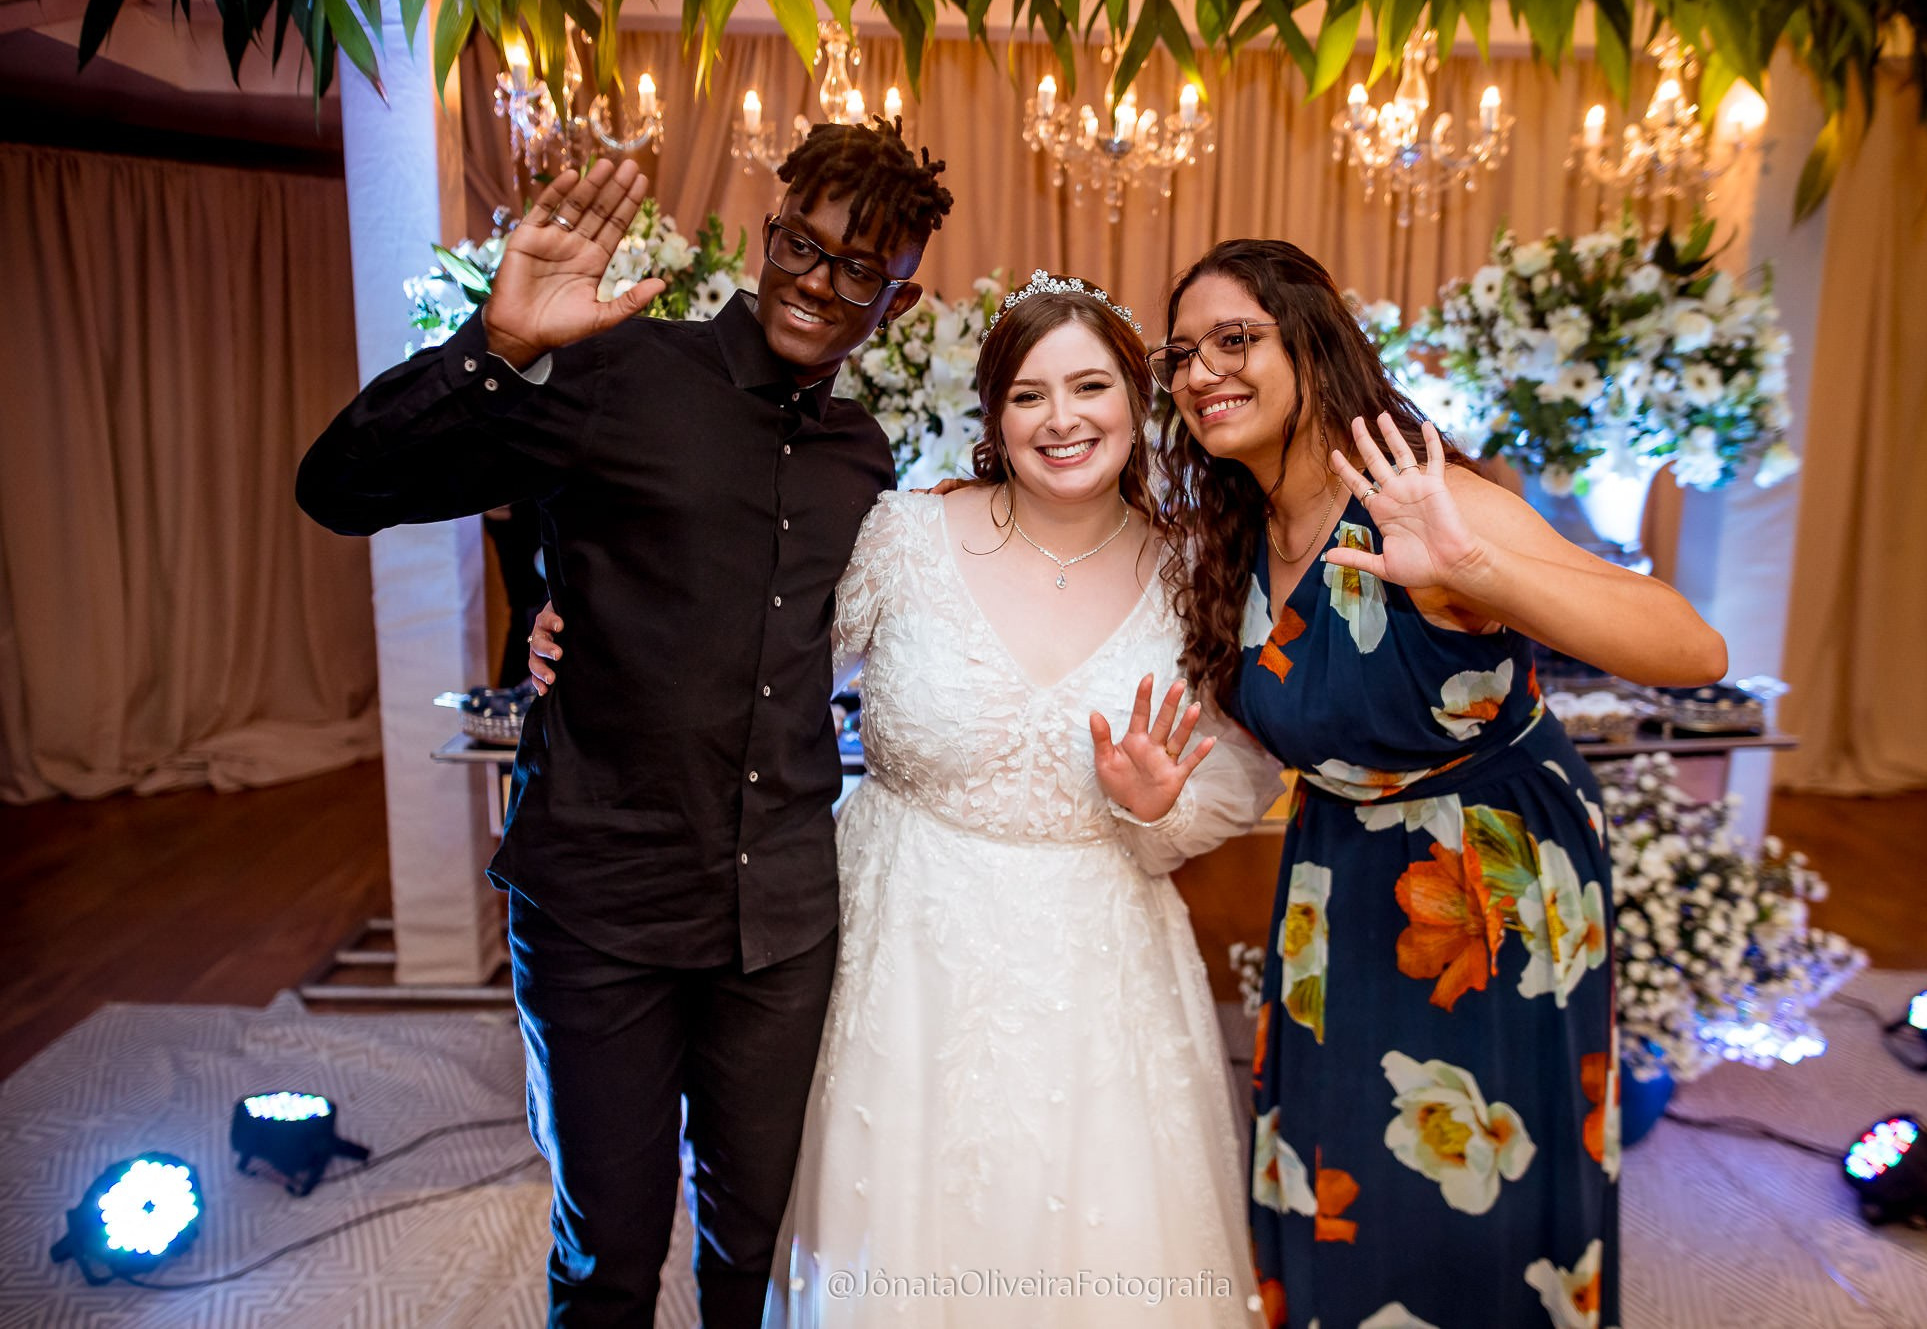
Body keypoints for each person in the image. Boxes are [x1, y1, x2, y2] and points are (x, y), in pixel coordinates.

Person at [295, 121, 953, 1328]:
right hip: (602, 904)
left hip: (785, 921)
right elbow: (339, 488)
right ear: (769, 238)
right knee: (607, 1252)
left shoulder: (866, 457)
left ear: (897, 302)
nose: (820, 280)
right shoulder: (614, 373)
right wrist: (492, 350)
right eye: (804, 245)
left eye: (860, 269)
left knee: (755, 1250)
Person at [531, 273, 1281, 1327]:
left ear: (1136, 401)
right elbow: (750, 645)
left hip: (1099, 962)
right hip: (900, 947)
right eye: (1027, 395)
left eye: (1089, 387)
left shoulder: (1194, 570)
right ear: (992, 416)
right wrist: (578, 620)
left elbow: (1250, 766)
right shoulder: (901, 538)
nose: (1061, 420)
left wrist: (1161, 801)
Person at [1147, 240, 1727, 1329]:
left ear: (1310, 345)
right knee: (1341, 1162)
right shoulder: (1232, 540)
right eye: (1182, 354)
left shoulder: (1430, 500)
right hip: (1337, 878)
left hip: (1491, 878)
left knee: (1478, 1186)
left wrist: (1470, 570)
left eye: (1236, 339)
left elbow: (1690, 647)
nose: (1200, 371)